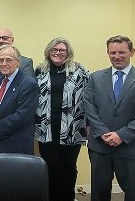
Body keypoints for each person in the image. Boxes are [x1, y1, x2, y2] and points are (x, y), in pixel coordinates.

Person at [84, 35, 135, 201]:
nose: (117, 56)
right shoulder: (95, 78)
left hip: (134, 146)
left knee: (134, 193)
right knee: (99, 192)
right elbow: (89, 107)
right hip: (100, 146)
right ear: (108, 53)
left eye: (122, 52)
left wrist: (121, 135)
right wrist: (102, 132)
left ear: (132, 52)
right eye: (112, 52)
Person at [34, 37, 89, 201]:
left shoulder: (79, 70)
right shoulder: (39, 71)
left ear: (68, 53)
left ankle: (68, 197)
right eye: (54, 50)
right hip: (46, 128)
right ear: (48, 52)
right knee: (49, 165)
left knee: (69, 166)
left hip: (73, 127)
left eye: (62, 50)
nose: (58, 53)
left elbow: (90, 99)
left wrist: (90, 124)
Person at [0, 45, 39, 154]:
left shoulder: (29, 84)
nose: (3, 64)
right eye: (0, 60)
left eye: (8, 60)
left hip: (15, 145)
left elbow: (21, 116)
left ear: (18, 62)